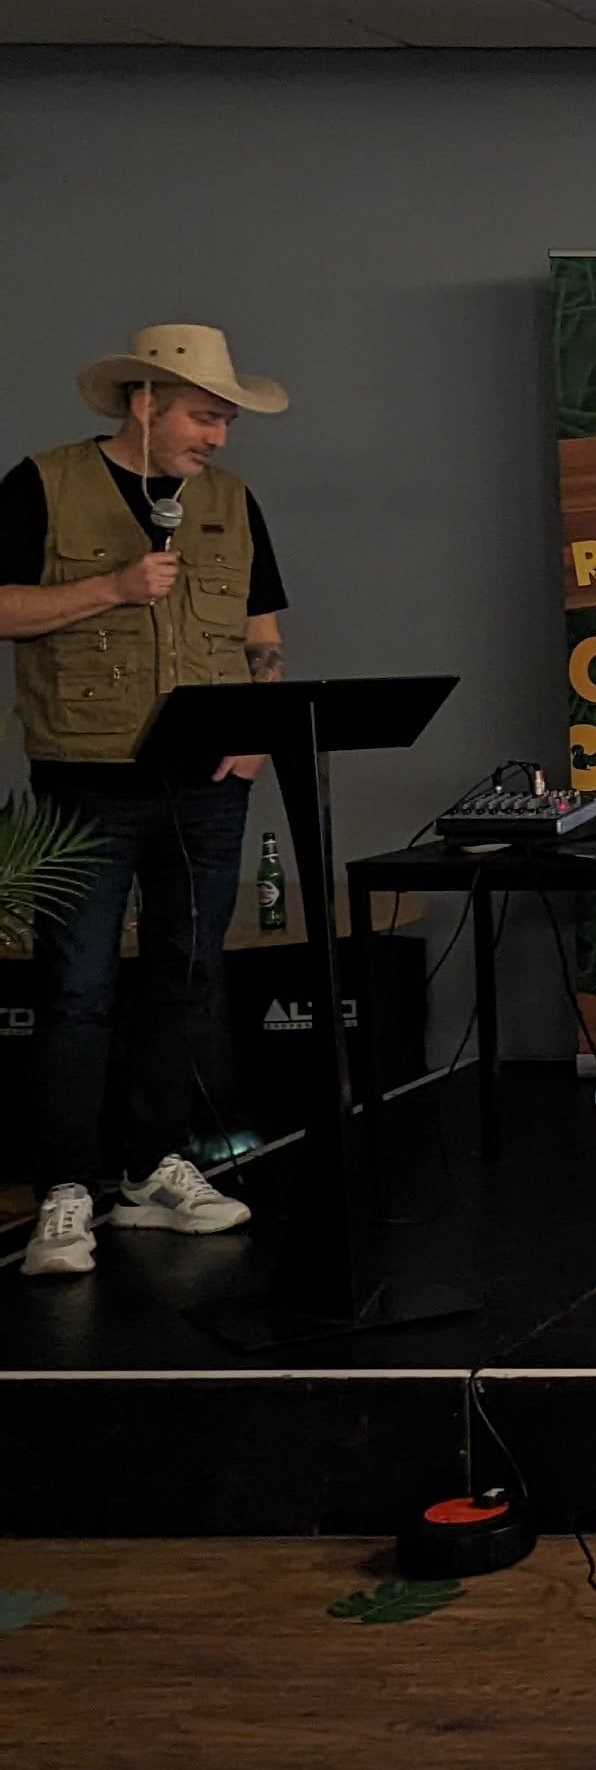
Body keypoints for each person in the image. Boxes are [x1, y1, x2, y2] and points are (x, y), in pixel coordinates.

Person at [1, 324, 289, 1281]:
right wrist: (112, 589)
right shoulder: (44, 483)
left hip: (206, 782)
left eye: (223, 421)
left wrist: (257, 727)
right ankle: (65, 1191)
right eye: (204, 416)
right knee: (75, 988)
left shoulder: (232, 501)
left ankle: (149, 1170)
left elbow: (260, 624)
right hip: (86, 778)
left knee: (187, 973)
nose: (217, 437)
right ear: (145, 403)